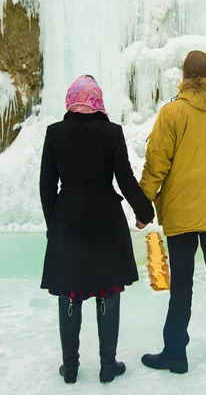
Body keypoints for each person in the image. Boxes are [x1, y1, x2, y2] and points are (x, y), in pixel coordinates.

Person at [139, 50, 206, 374]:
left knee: (182, 285)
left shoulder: (172, 113)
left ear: (184, 79)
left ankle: (175, 353)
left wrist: (143, 204)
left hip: (181, 213)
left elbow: (156, 165)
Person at [39, 75, 154, 384]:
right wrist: (144, 212)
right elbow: (125, 179)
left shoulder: (55, 133)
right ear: (97, 100)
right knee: (108, 289)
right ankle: (107, 364)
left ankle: (71, 367)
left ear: (71, 100)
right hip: (106, 215)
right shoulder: (112, 132)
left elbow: (46, 185)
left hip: (68, 216)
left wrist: (55, 224)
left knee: (69, 291)